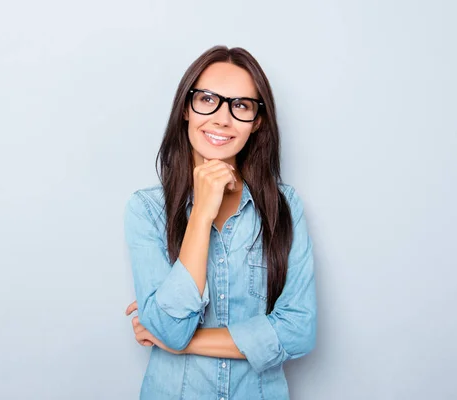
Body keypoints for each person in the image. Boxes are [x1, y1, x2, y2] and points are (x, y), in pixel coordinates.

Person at [123, 45, 317, 400]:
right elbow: (169, 326)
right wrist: (200, 213)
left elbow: (298, 331)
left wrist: (179, 343)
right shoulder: (146, 209)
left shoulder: (284, 206)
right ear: (186, 107)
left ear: (257, 122)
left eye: (241, 105)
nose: (222, 119)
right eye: (208, 99)